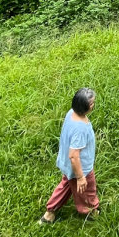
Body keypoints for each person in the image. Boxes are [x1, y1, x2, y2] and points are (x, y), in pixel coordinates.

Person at [39, 88, 99, 223]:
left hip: (67, 165)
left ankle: (49, 213)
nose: (93, 104)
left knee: (66, 186)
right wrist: (81, 177)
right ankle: (90, 211)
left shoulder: (71, 113)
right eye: (92, 103)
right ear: (87, 107)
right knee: (87, 189)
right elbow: (74, 156)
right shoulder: (80, 129)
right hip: (80, 167)